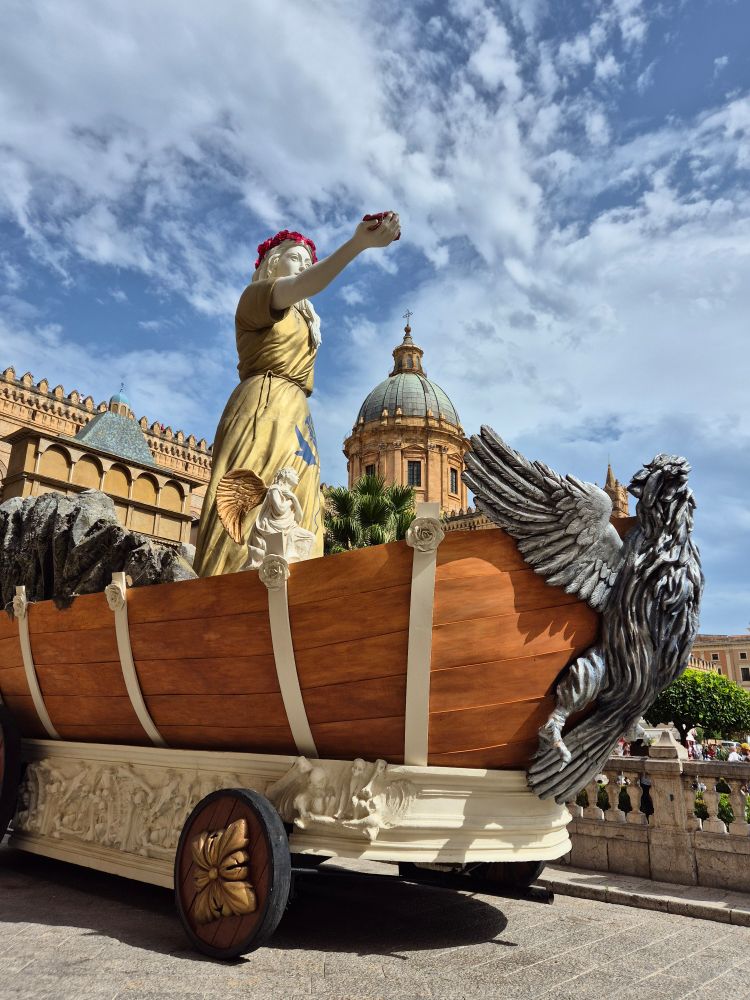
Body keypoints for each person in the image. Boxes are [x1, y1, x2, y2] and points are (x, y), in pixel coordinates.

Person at [194, 212, 401, 577]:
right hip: (264, 404)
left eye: (307, 261)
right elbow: (306, 284)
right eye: (296, 257)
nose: (304, 265)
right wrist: (357, 245)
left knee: (300, 512)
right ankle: (228, 584)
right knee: (254, 501)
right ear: (273, 263)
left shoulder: (304, 318)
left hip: (297, 416)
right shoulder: (257, 297)